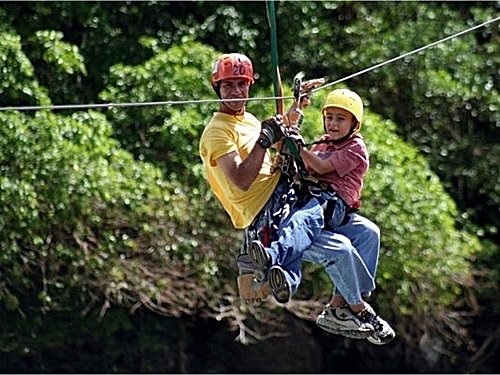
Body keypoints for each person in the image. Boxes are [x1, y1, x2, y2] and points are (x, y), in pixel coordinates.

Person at [199, 53, 394, 344]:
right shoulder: (217, 133)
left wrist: (297, 106)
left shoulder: (249, 120)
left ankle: (339, 307)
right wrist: (264, 141)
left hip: (294, 197)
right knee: (340, 249)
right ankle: (358, 308)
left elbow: (284, 138)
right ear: (217, 88)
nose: (237, 92)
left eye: (242, 84)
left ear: (250, 86)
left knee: (368, 232)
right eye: (229, 86)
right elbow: (240, 180)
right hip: (267, 211)